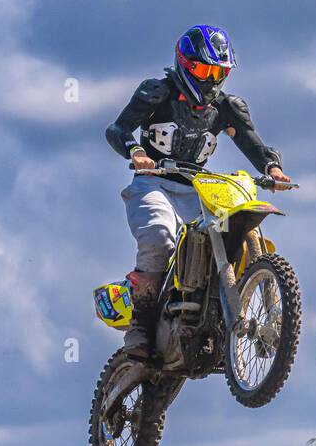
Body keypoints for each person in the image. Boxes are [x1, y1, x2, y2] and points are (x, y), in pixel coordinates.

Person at [104, 24, 293, 358]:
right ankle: (141, 328)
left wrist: (272, 169)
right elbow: (118, 129)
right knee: (160, 237)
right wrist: (136, 152)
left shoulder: (227, 108)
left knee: (233, 230)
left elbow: (252, 142)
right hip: (154, 183)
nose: (211, 80)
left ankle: (257, 318)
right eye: (204, 70)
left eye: (218, 72)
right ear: (185, 64)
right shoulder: (156, 93)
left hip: (199, 189)